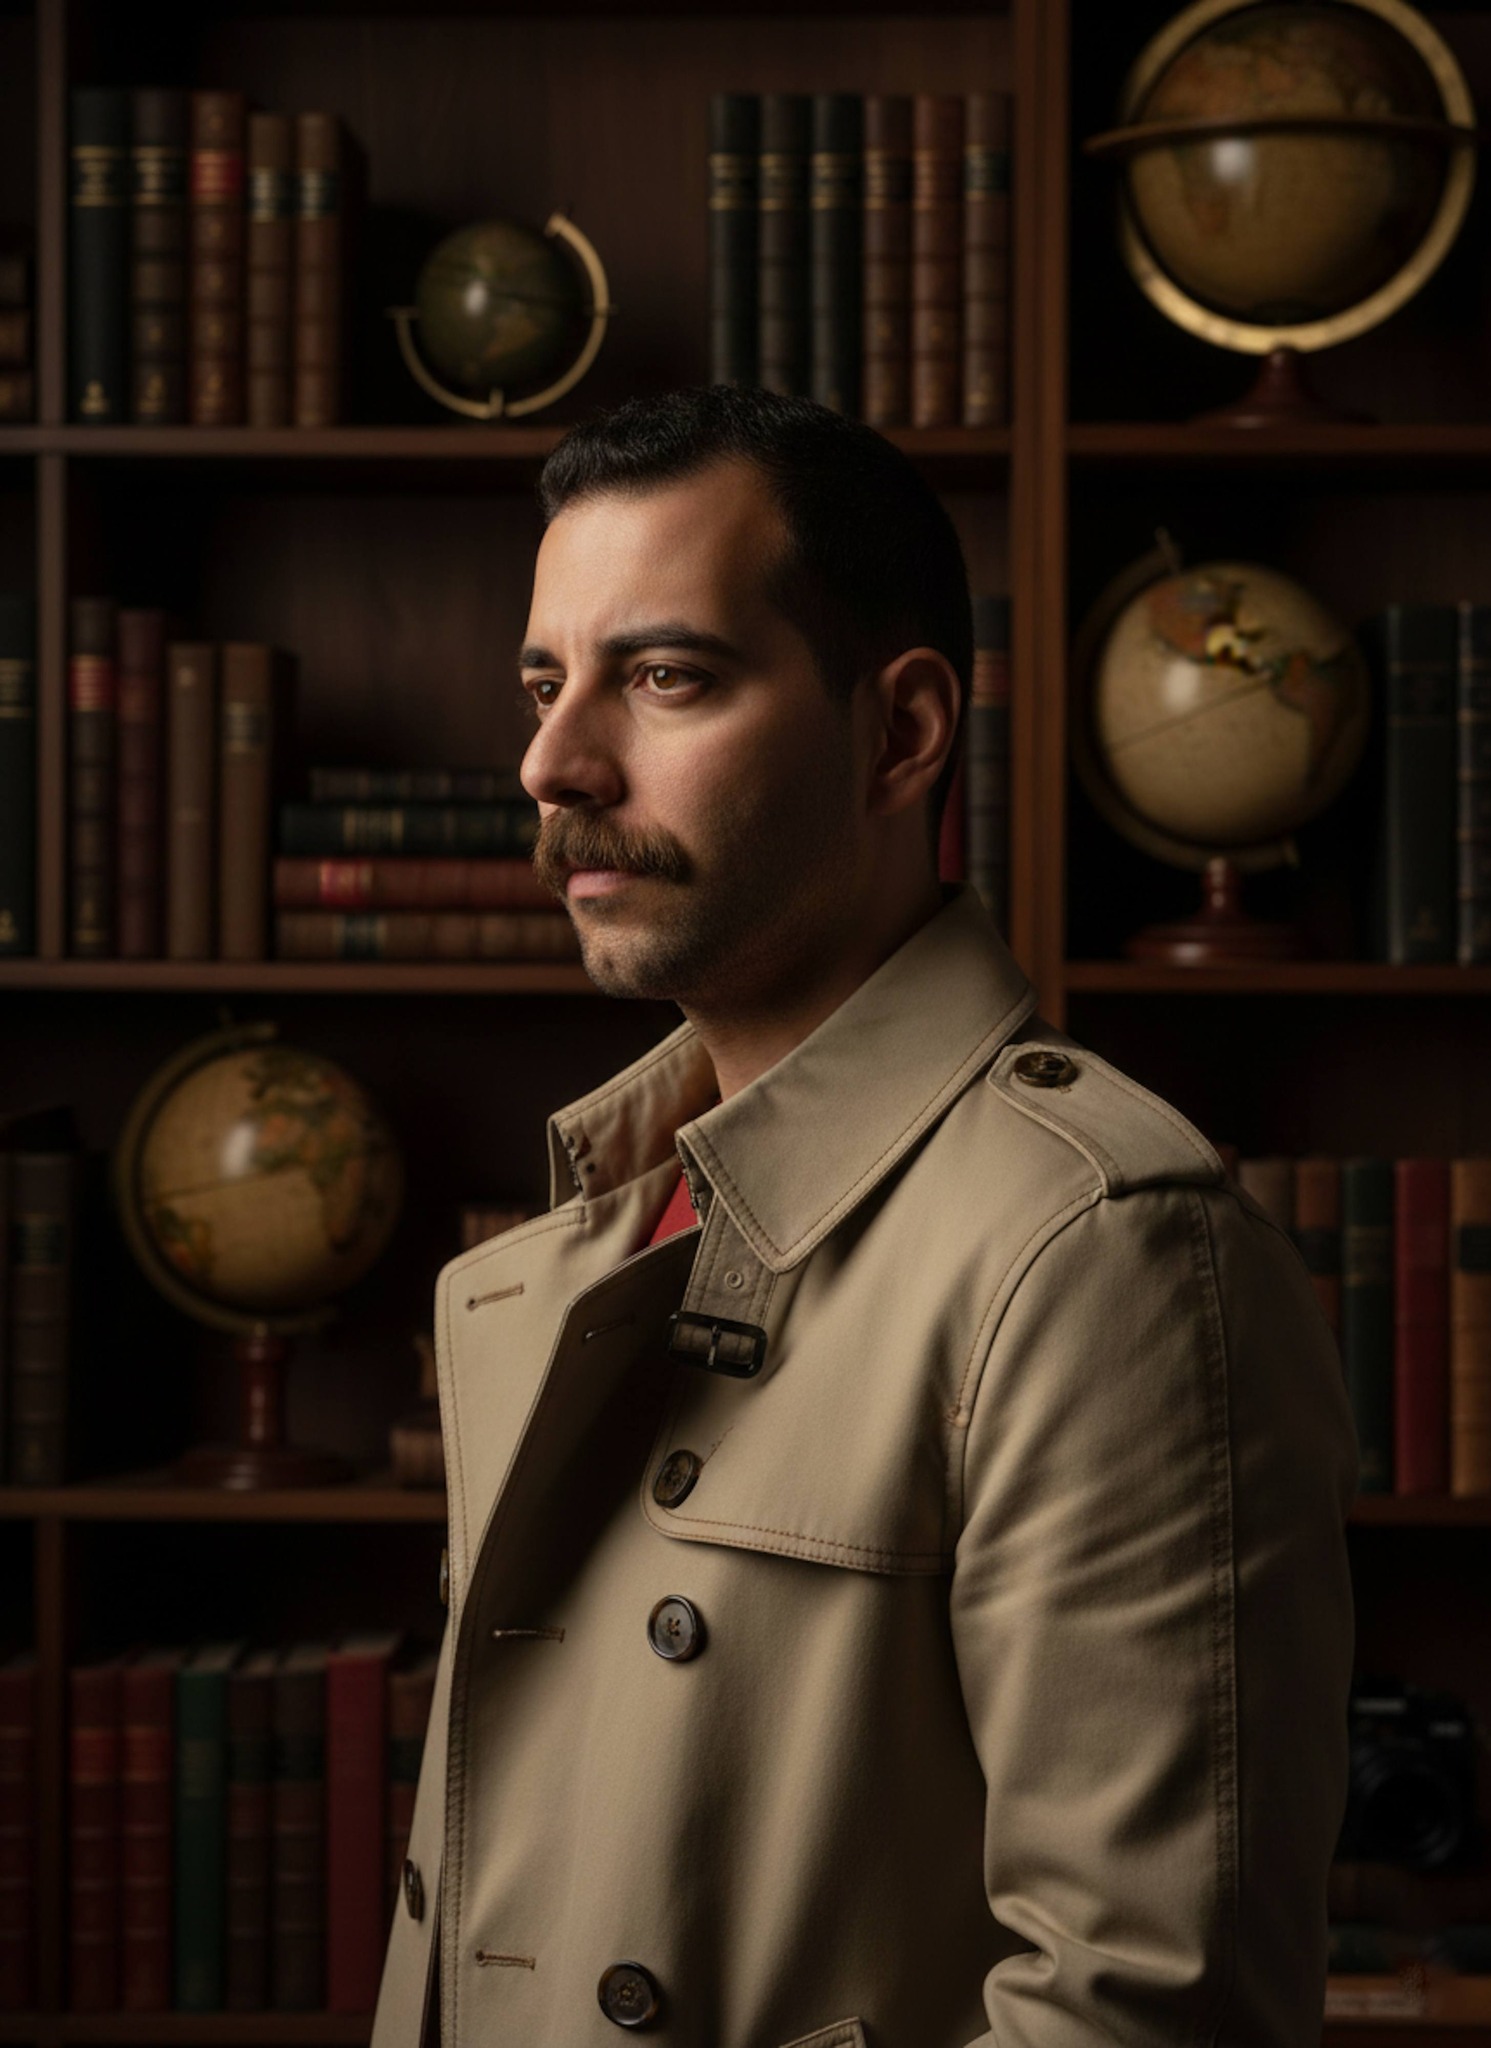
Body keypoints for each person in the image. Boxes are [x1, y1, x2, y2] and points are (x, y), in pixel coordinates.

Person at [372, 386, 1359, 2048]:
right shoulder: (585, 1238)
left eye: (664, 675)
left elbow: (1138, 2020)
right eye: (546, 686)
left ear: (901, 734)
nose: (553, 761)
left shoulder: (1099, 1249)